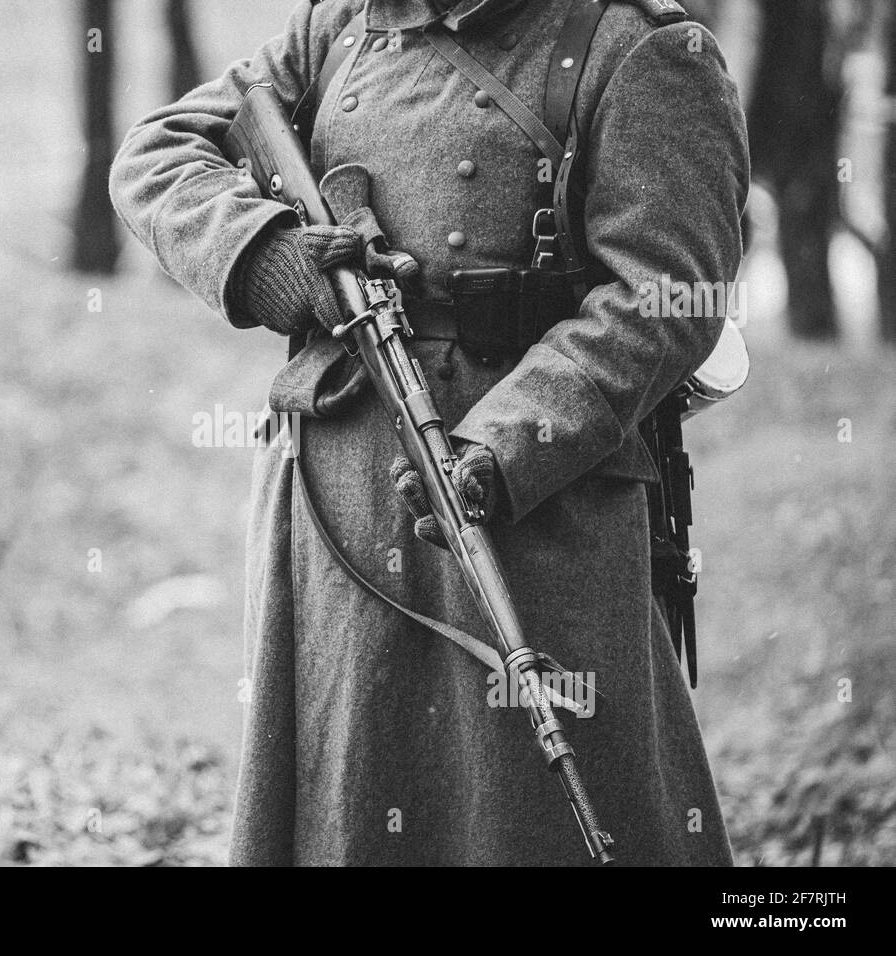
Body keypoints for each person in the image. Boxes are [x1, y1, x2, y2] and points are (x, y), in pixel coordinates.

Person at [109, 0, 749, 865]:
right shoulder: (340, 25)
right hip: (337, 495)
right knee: (350, 799)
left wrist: (503, 448)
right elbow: (158, 153)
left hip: (532, 507)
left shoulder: (637, 48)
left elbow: (668, 296)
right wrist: (265, 255)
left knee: (539, 809)